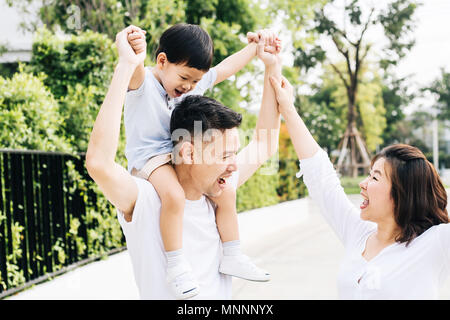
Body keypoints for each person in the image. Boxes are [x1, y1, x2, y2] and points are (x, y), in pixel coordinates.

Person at [85, 25, 282, 299]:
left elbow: (264, 143)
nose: (233, 165)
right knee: (174, 196)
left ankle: (233, 253)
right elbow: (98, 163)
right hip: (150, 162)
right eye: (225, 156)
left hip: (173, 160)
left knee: (226, 192)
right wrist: (128, 62)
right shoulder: (147, 199)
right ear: (189, 152)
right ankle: (176, 265)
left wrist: (268, 61)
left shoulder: (217, 185)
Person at [269, 75, 450, 299]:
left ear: (402, 194)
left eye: (375, 178)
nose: (362, 184)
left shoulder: (436, 242)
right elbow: (321, 177)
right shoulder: (359, 233)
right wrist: (288, 107)